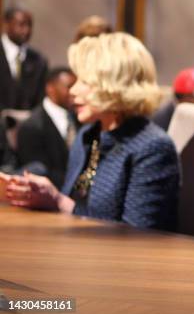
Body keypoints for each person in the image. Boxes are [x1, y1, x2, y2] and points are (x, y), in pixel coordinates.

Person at [1, 32, 180, 230]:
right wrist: (41, 197)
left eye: (84, 82)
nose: (73, 91)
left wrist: (58, 201)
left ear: (115, 86)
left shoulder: (152, 148)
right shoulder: (88, 136)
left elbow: (137, 235)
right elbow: (76, 212)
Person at [16, 67, 78, 189]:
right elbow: (37, 171)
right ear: (50, 88)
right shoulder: (31, 127)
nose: (74, 92)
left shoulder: (80, 119)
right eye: (69, 87)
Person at [0, 6, 48, 111]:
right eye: (21, 25)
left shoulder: (39, 61)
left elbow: (40, 99)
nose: (26, 30)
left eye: (29, 25)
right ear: (6, 24)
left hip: (26, 124)